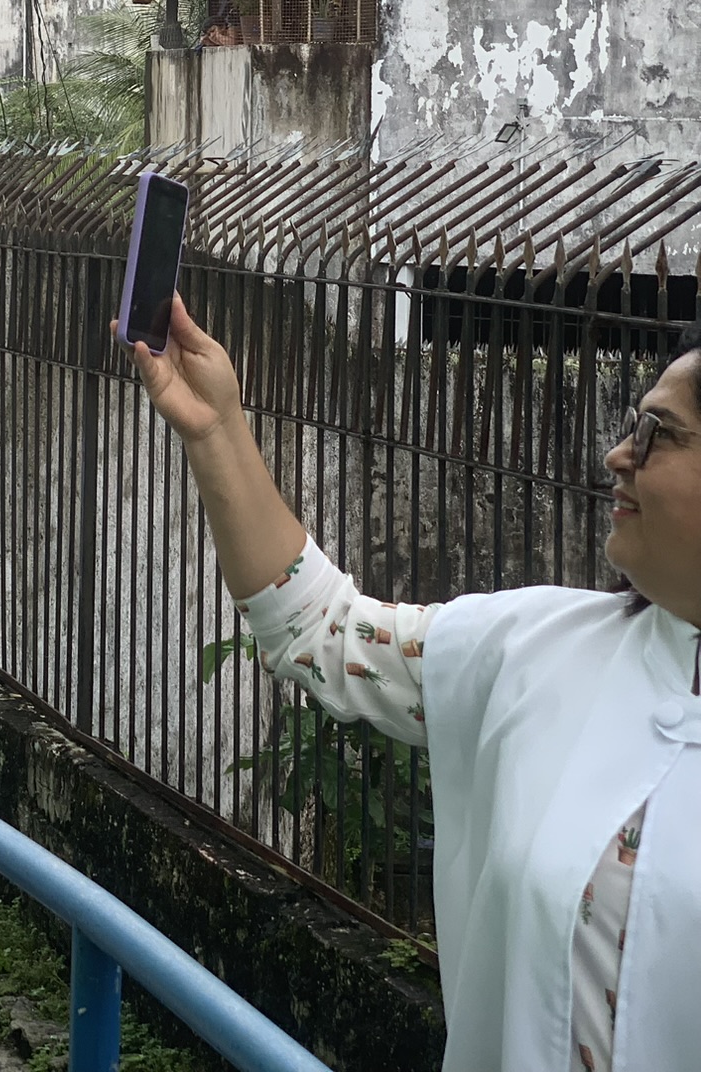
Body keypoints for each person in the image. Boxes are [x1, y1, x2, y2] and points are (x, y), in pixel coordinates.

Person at [128, 298, 701, 1072]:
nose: (618, 455)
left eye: (658, 432)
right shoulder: (538, 648)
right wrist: (216, 428)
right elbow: (321, 629)